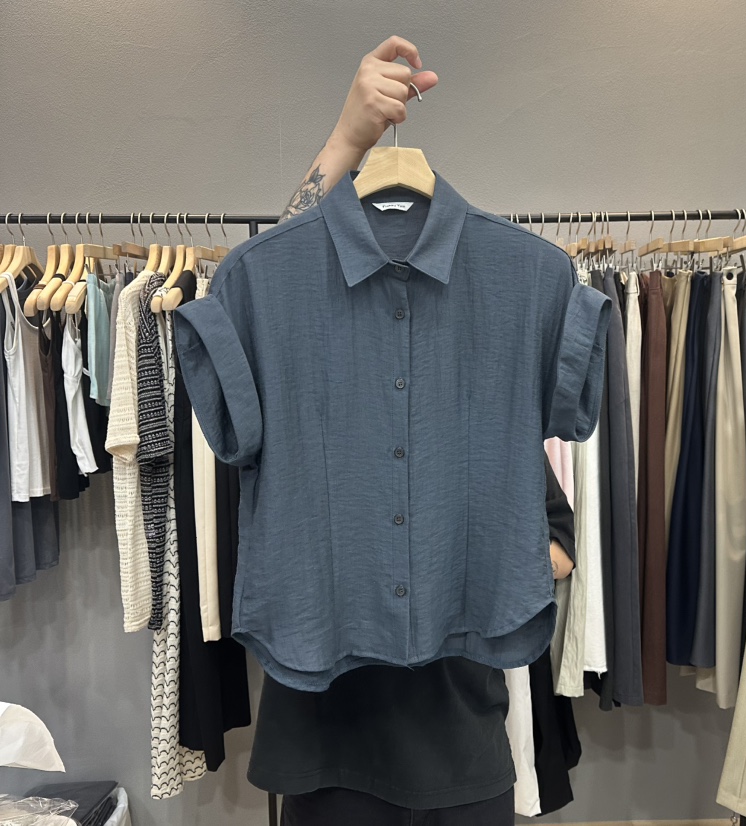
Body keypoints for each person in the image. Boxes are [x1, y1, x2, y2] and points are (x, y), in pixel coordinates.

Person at [247, 36, 576, 826]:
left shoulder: (493, 350)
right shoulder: (295, 330)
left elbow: (559, 547)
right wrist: (343, 142)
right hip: (323, 742)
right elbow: (256, 288)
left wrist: (463, 553)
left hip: (459, 745)